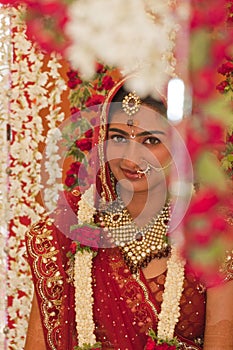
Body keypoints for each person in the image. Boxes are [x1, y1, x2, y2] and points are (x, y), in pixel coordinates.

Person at [24, 78, 233, 350]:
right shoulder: (73, 227)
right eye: (119, 138)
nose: (131, 159)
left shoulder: (211, 232)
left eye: (151, 140)